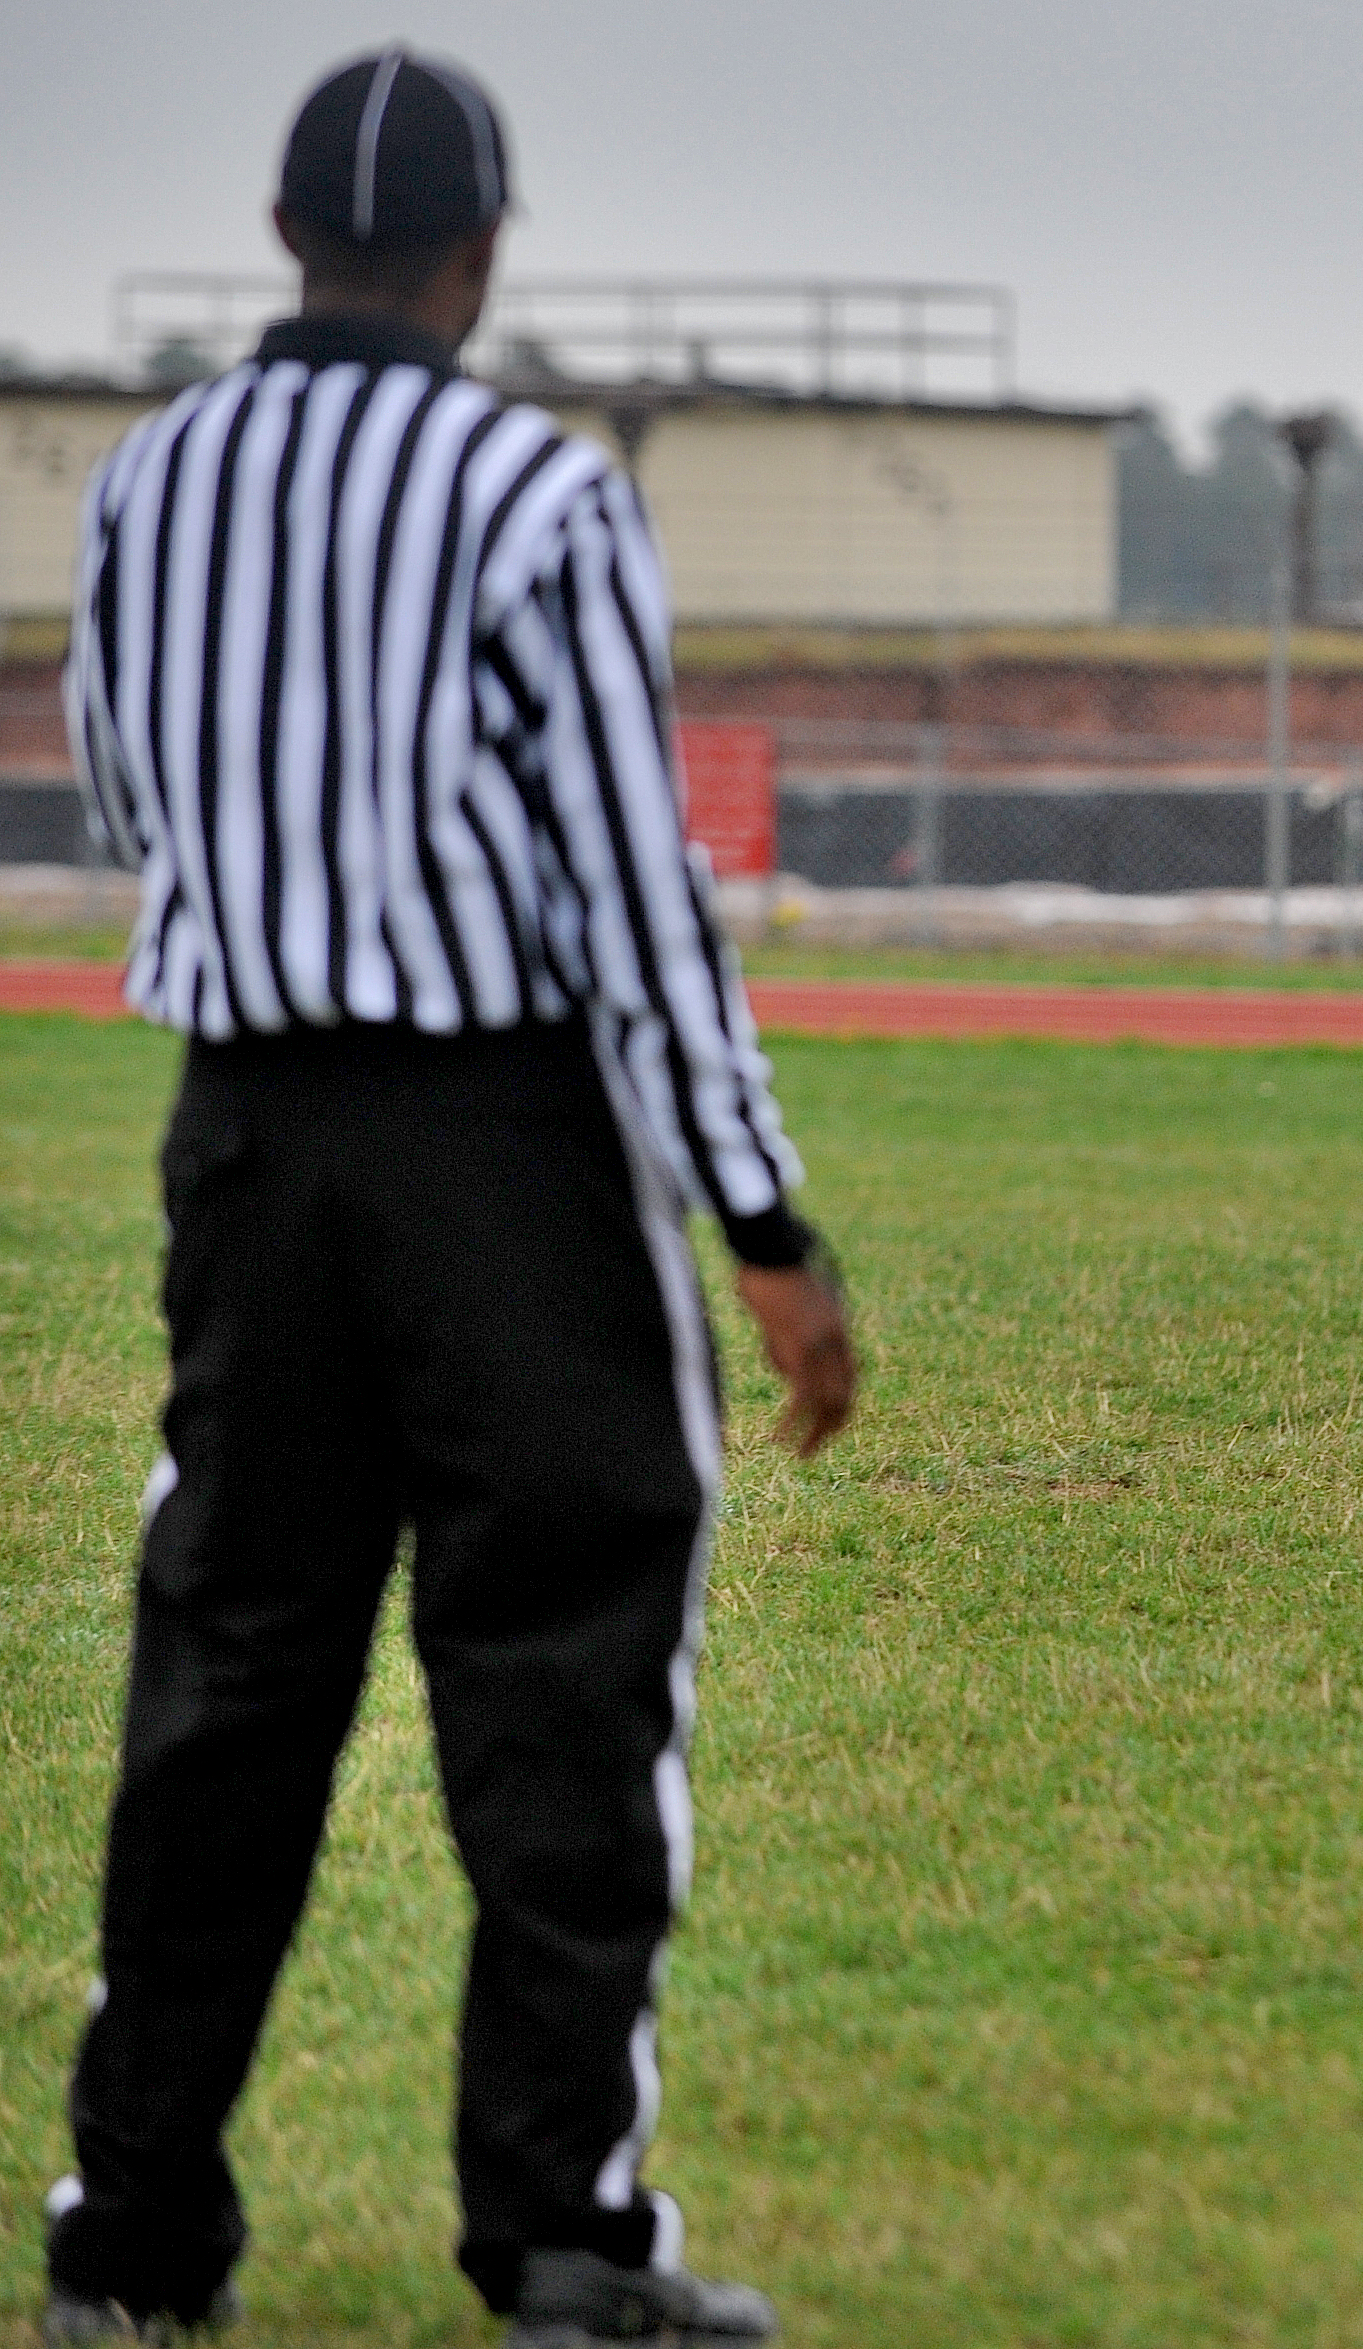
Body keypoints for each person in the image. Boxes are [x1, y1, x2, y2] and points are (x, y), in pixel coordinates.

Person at [40, 50, 849, 2344]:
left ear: (284, 229)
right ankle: (560, 2230)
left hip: (252, 1138)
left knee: (228, 1666)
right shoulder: (534, 488)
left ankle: (134, 2230)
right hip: (505, 1142)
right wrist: (765, 1220)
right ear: (481, 250)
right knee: (566, 1666)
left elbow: (122, 791)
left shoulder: (149, 477)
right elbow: (629, 888)